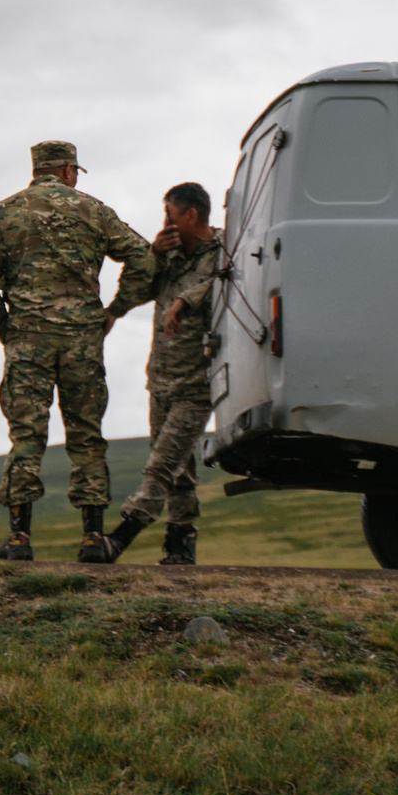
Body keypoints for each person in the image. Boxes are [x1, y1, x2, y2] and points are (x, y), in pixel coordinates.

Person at [0, 140, 154, 562]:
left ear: (37, 170)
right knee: (86, 436)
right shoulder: (94, 210)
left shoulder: (6, 212)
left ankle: (19, 539)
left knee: (26, 435)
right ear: (69, 170)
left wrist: (8, 330)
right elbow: (143, 258)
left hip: (28, 339)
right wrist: (115, 310)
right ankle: (91, 538)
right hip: (82, 338)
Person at [91, 181, 223, 566]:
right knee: (178, 469)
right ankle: (182, 544)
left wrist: (185, 301)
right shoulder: (170, 254)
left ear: (191, 216)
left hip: (196, 384)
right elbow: (140, 290)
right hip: (161, 380)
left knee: (162, 465)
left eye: (170, 215)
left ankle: (119, 538)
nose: (165, 222)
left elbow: (216, 286)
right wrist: (152, 256)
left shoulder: (224, 252)